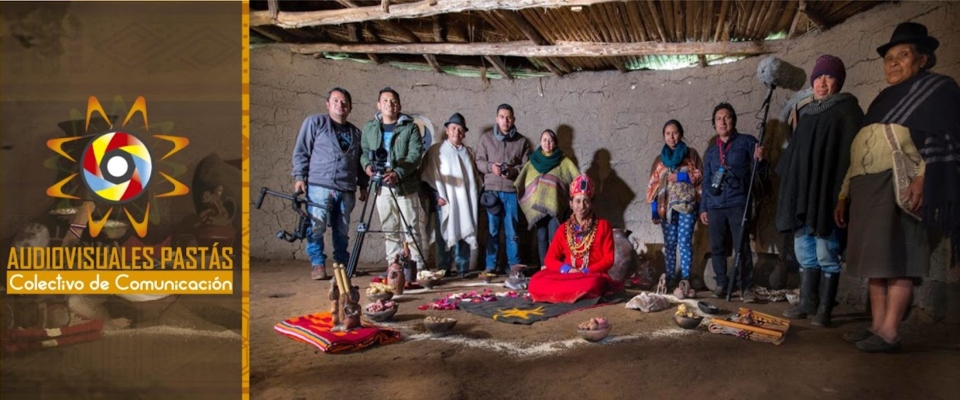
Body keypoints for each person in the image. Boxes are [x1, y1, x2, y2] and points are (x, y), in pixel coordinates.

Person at [835, 22, 960, 352]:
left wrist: (924, 177)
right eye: (888, 58)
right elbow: (859, 150)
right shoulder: (883, 101)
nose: (892, 63)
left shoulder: (937, 90)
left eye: (902, 55)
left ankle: (890, 332)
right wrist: (844, 194)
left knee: (900, 259)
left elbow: (943, 137)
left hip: (899, 186)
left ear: (922, 59)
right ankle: (876, 326)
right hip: (867, 189)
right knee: (876, 265)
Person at [777, 55, 864, 326]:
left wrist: (842, 197)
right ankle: (806, 302)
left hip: (828, 197)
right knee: (804, 251)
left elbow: (850, 159)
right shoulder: (807, 116)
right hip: (805, 197)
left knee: (827, 252)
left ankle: (825, 310)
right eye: (818, 77)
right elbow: (794, 160)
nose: (822, 83)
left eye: (829, 77)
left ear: (839, 82)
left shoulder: (848, 112)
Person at [291, 87, 369, 280]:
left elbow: (360, 162)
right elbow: (302, 151)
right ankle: (317, 264)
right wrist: (300, 177)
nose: (340, 105)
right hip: (319, 186)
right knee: (316, 226)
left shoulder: (356, 133)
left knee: (342, 229)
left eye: (344, 102)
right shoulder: (315, 123)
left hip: (346, 188)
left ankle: (342, 265)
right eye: (335, 101)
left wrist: (363, 185)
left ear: (350, 107)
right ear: (327, 104)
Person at [700, 103, 765, 302]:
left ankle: (746, 287)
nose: (723, 122)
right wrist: (703, 207)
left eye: (727, 117)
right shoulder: (711, 151)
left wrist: (761, 160)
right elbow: (706, 180)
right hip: (715, 205)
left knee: (742, 246)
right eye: (718, 119)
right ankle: (721, 283)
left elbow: (759, 174)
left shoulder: (747, 142)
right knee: (717, 246)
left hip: (738, 202)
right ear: (714, 124)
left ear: (733, 120)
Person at [360, 87, 425, 278]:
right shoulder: (370, 128)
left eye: (394, 101)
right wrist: (367, 166)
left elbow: (415, 155)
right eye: (385, 100)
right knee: (389, 228)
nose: (390, 104)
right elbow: (364, 151)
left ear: (399, 105)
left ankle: (417, 267)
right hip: (381, 186)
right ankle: (394, 267)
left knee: (411, 228)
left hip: (404, 186)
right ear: (378, 105)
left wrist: (397, 173)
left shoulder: (410, 128)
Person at [528, 175, 621, 303]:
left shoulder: (603, 226)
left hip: (590, 275)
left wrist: (586, 271)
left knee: (592, 284)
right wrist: (567, 270)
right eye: (578, 201)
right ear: (571, 204)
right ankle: (572, 293)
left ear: (591, 203)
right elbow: (549, 259)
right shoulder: (563, 229)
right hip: (568, 274)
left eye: (586, 201)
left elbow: (608, 259)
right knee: (535, 281)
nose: (581, 206)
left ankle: (564, 293)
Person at [420, 113, 480, 278]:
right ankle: (443, 268)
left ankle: (462, 268)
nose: (457, 132)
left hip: (464, 200)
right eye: (453, 128)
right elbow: (426, 177)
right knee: (443, 234)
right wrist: (435, 197)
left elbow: (474, 179)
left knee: (464, 231)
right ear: (447, 130)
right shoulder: (436, 151)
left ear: (464, 133)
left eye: (460, 130)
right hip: (444, 201)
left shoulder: (468, 153)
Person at [645, 120, 703, 289]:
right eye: (668, 133)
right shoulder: (659, 160)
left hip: (687, 207)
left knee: (684, 242)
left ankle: (685, 278)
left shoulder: (691, 155)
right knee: (670, 244)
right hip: (666, 209)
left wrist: (681, 177)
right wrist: (654, 210)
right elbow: (653, 186)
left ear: (681, 134)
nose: (672, 137)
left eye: (675, 133)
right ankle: (670, 277)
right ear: (664, 136)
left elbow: (700, 177)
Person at [476, 104, 531, 276]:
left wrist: (513, 171)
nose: (505, 121)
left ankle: (514, 266)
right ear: (496, 119)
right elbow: (479, 161)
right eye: (502, 117)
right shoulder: (486, 138)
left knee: (512, 231)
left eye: (508, 117)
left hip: (511, 191)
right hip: (491, 191)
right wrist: (491, 167)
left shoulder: (522, 142)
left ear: (513, 119)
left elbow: (527, 166)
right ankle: (490, 266)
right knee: (492, 230)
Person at [514, 129, 580, 267]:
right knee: (541, 237)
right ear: (540, 142)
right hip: (538, 208)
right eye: (544, 140)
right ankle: (544, 267)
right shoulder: (533, 161)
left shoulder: (564, 161)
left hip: (555, 207)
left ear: (555, 143)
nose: (547, 143)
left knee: (555, 238)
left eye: (550, 140)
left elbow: (577, 179)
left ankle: (556, 266)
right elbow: (523, 180)